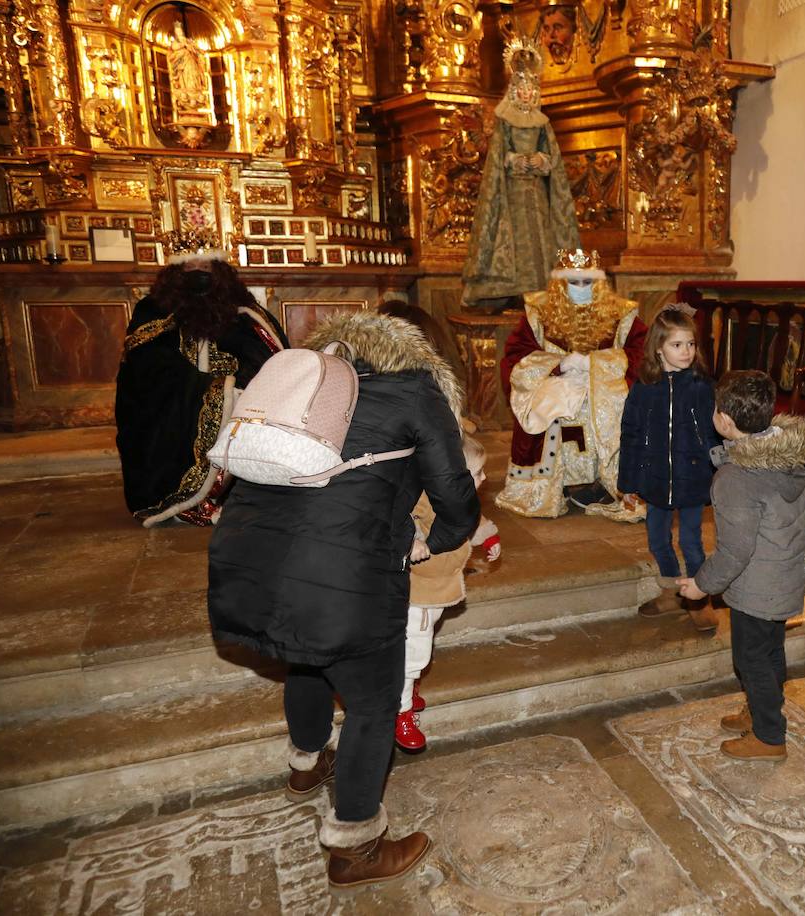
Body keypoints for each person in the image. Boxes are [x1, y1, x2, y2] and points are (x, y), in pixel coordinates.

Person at [207, 310, 479, 892]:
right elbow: (454, 491)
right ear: (422, 349)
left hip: (250, 553)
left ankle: (306, 766)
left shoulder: (304, 378)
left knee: (305, 656)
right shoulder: (414, 388)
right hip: (345, 569)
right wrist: (439, 541)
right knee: (374, 704)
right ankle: (355, 846)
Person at [678, 371, 805, 761]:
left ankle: (769, 737)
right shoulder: (788, 457)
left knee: (751, 659)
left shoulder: (736, 479)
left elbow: (734, 551)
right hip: (783, 577)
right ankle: (761, 709)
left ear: (724, 419)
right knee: (770, 651)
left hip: (757, 587)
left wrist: (701, 586)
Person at [115, 239, 286, 527]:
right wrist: (205, 386)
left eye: (205, 266)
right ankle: (191, 499)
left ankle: (233, 495)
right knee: (209, 403)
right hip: (170, 399)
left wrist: (239, 382)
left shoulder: (241, 309)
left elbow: (265, 353)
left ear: (219, 271)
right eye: (189, 267)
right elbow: (144, 365)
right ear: (174, 273)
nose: (198, 272)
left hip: (238, 393)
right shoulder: (153, 309)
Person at [496, 248, 647, 520]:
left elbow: (641, 353)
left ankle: (607, 482)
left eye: (587, 282)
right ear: (560, 283)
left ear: (599, 283)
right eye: (572, 282)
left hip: (605, 386)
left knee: (609, 410)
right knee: (549, 410)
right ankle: (553, 487)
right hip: (556, 384)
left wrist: (596, 365)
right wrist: (559, 365)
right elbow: (516, 356)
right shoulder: (538, 312)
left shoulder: (621, 314)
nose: (580, 288)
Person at [396, 434, 501, 752]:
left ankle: (408, 688)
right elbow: (405, 517)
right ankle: (399, 711)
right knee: (413, 651)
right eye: (478, 471)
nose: (485, 477)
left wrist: (490, 538)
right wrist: (411, 542)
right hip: (421, 589)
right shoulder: (425, 497)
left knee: (419, 644)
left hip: (440, 586)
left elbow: (472, 519)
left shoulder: (459, 496)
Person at [618, 304, 721, 631]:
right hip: (655, 476)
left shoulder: (703, 385)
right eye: (678, 345)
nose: (687, 351)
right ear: (658, 348)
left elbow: (714, 430)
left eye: (691, 344)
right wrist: (629, 479)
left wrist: (719, 467)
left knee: (691, 541)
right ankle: (671, 588)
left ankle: (698, 597)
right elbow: (631, 431)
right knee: (657, 539)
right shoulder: (644, 386)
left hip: (693, 477)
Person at [461, 35, 580, 309]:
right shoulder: (505, 121)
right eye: (522, 90)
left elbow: (553, 158)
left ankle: (543, 288)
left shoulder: (541, 123)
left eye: (530, 91)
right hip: (512, 191)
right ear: (514, 91)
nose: (526, 95)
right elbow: (499, 155)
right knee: (516, 238)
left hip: (536, 191)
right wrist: (514, 160)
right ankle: (511, 290)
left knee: (539, 237)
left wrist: (542, 160)